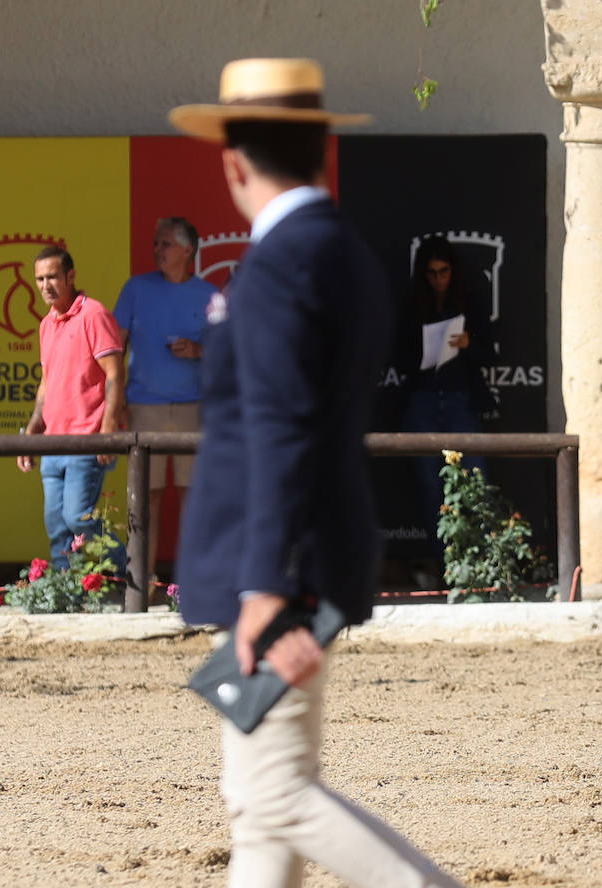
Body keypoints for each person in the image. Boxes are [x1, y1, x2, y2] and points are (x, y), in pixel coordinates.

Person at [169, 57, 463, 888]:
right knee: (257, 805)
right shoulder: (341, 252)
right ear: (320, 147)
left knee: (275, 796)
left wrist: (264, 582)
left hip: (278, 569)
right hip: (306, 556)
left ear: (232, 160)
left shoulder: (279, 265)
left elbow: (277, 428)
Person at [113, 216, 217, 598]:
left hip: (194, 409)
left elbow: (228, 351)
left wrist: (198, 349)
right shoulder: (135, 289)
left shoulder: (210, 295)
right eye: (156, 244)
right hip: (144, 408)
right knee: (146, 497)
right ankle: (141, 585)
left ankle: (194, 583)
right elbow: (113, 351)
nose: (157, 250)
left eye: (166, 244)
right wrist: (117, 403)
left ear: (188, 251)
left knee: (195, 495)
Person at [16, 246, 128, 574]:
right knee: (57, 527)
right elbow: (47, 383)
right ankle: (69, 592)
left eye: (52, 276)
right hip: (53, 442)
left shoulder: (94, 314)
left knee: (75, 518)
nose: (45, 285)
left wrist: (107, 430)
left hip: (87, 439)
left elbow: (115, 373)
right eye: (39, 279)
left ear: (71, 276)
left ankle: (128, 573)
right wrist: (33, 431)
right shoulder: (46, 324)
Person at [400, 235, 494, 586]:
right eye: (432, 273)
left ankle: (483, 566)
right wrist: (425, 349)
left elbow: (492, 354)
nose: (439, 279)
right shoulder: (412, 306)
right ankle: (448, 568)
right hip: (423, 399)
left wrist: (468, 344)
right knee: (429, 485)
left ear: (454, 272)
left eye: (444, 272)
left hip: (460, 398)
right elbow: (399, 357)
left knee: (476, 478)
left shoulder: (470, 301)